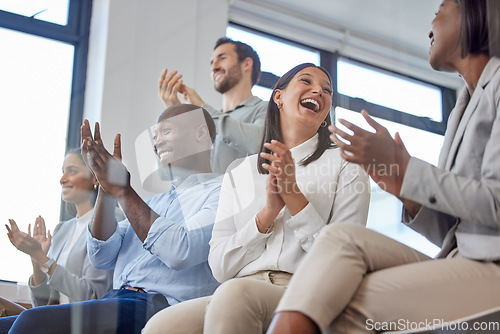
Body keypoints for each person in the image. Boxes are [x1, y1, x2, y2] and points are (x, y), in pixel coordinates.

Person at [267, 1, 500, 333]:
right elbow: (457, 231)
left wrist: (404, 167)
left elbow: (495, 204)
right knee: (341, 239)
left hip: (491, 267)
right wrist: (404, 188)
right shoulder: (463, 106)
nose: (431, 22)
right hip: (464, 259)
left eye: (442, 8)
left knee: (339, 306)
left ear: (477, 12)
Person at [143, 63, 370, 334]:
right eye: (306, 81)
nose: (318, 91)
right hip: (235, 289)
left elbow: (344, 262)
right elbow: (219, 265)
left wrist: (294, 198)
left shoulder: (348, 165)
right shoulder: (240, 171)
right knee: (160, 326)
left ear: (325, 117)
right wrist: (266, 217)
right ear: (278, 98)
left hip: (304, 292)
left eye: (327, 90)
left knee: (236, 296)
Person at [6, 104, 222, 334]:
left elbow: (181, 251)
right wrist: (106, 189)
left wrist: (123, 191)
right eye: (155, 136)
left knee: (30, 324)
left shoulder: (222, 193)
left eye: (166, 131)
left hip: (160, 308)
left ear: (201, 134)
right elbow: (102, 255)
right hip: (116, 300)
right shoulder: (151, 203)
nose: (157, 142)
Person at [1, 148, 113, 333]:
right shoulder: (62, 230)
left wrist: (44, 259)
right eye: (63, 171)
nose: (62, 179)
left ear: (95, 178)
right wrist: (37, 260)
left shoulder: (110, 223)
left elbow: (93, 297)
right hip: (56, 321)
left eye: (72, 171)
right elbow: (43, 305)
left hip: (84, 324)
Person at [159, 37, 268, 173]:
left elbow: (259, 143)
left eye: (222, 58)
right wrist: (176, 116)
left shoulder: (265, 109)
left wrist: (201, 107)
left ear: (246, 64)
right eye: (211, 62)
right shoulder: (206, 121)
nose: (214, 67)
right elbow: (174, 172)